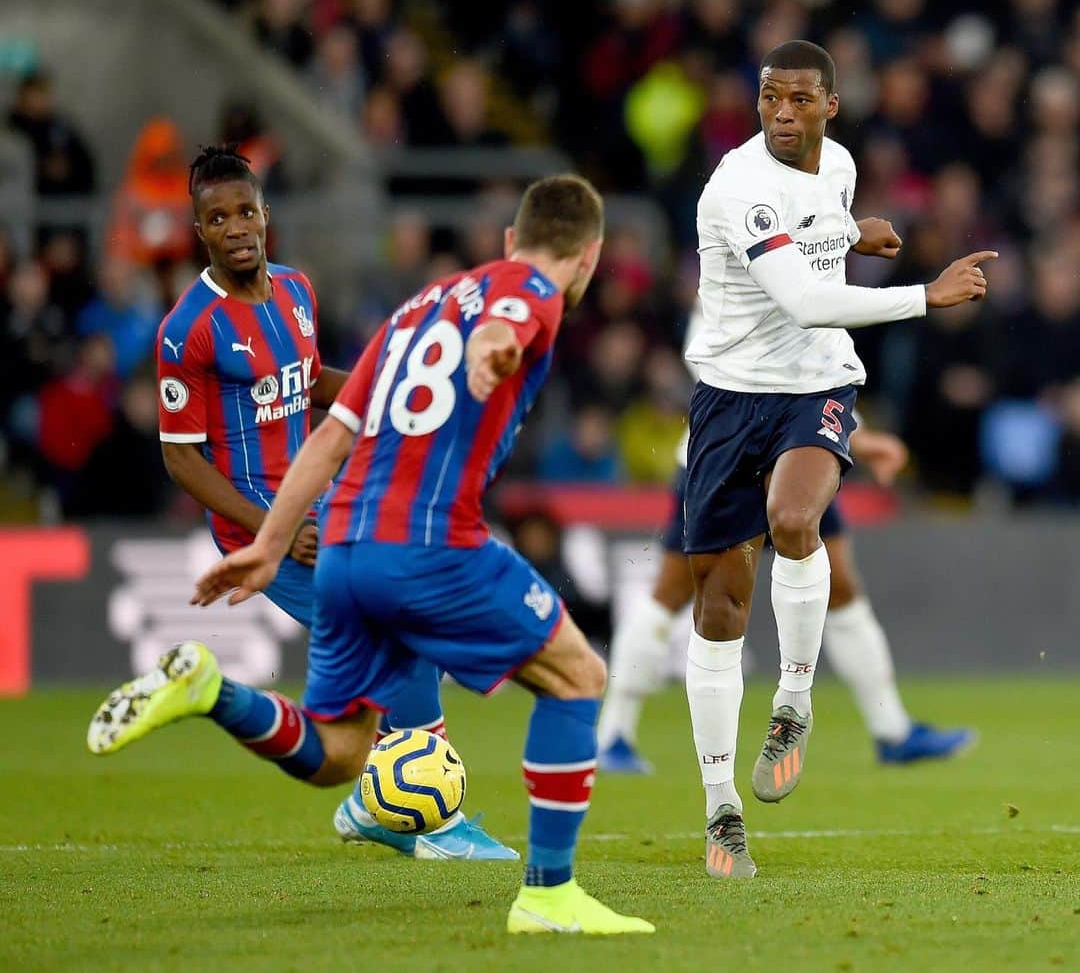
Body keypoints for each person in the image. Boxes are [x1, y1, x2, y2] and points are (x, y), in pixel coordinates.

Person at [191, 174, 655, 935]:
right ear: (592, 256)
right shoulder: (531, 285)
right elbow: (506, 321)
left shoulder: (414, 308)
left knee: (344, 753)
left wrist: (269, 544)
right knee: (579, 676)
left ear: (508, 235)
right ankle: (547, 895)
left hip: (341, 545)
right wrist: (492, 352)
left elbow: (333, 432)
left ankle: (214, 695)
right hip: (430, 540)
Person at [86, 145, 514, 863]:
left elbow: (313, 383)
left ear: (266, 213)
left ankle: (371, 799)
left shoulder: (294, 290)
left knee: (394, 664)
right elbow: (180, 457)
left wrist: (410, 391)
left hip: (327, 508)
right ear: (199, 231)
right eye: (217, 218)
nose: (236, 227)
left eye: (245, 211)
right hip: (262, 528)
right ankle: (431, 820)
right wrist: (274, 533)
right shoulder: (187, 329)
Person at [680, 40, 994, 879]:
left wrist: (853, 229)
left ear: (831, 106)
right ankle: (721, 809)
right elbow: (806, 296)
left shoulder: (841, 167)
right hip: (728, 398)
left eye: (797, 100)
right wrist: (927, 292)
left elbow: (817, 245)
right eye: (768, 98)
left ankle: (792, 698)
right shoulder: (736, 185)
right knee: (719, 606)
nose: (781, 113)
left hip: (817, 382)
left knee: (794, 520)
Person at [597, 422, 976, 774]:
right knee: (673, 592)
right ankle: (613, 735)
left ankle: (892, 730)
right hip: (725, 454)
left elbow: (825, 370)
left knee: (840, 587)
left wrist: (852, 435)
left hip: (800, 457)